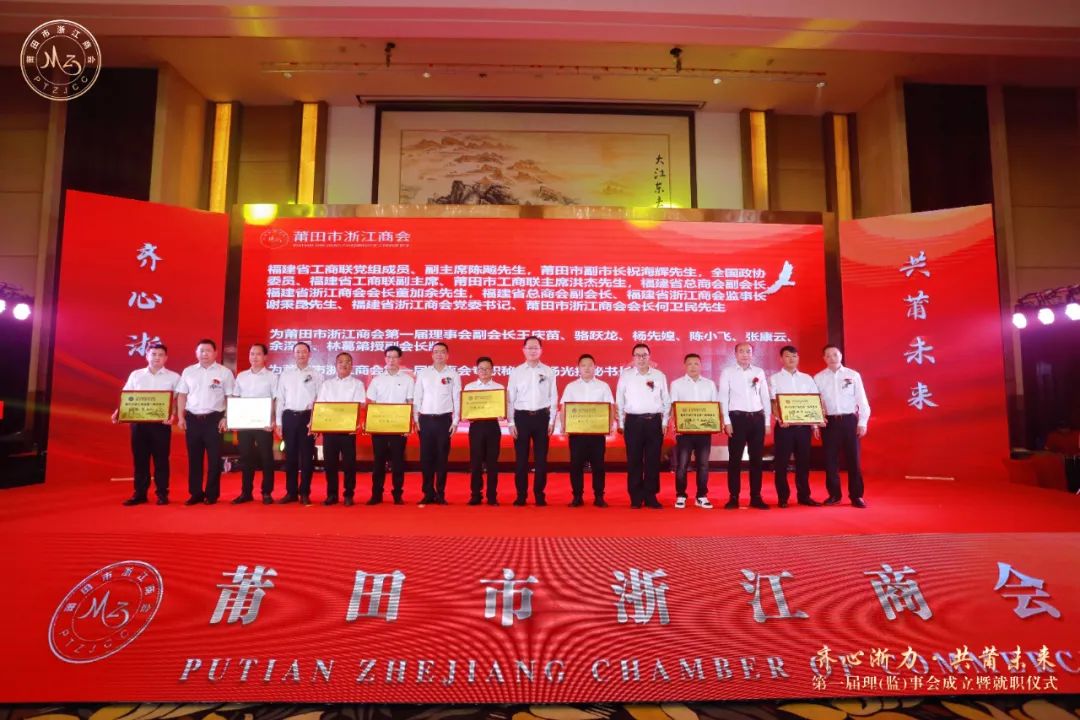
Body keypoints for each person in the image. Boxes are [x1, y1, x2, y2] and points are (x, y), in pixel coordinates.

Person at [112, 343, 180, 506]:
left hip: (161, 424)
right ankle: (140, 494)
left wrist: (173, 414)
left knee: (161, 460)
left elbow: (178, 399)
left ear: (166, 358)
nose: (157, 357)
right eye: (153, 354)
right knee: (140, 459)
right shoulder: (136, 375)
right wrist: (118, 412)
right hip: (139, 424)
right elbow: (127, 396)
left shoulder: (174, 377)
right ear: (147, 356)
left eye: (160, 355)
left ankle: (162, 494)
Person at [176, 338, 235, 505]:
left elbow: (230, 396)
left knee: (214, 459)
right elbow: (182, 395)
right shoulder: (188, 371)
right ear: (196, 353)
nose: (204, 354)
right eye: (201, 351)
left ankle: (211, 494)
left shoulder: (224, 372)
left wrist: (226, 417)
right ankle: (195, 493)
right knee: (194, 458)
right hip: (192, 419)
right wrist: (181, 417)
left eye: (208, 350)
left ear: (215, 353)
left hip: (214, 419)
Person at [814, 345, 871, 508]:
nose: (832, 358)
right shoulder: (818, 378)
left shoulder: (853, 375)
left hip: (849, 421)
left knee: (854, 460)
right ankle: (834, 495)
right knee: (830, 460)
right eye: (828, 355)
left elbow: (862, 400)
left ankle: (856, 495)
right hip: (828, 422)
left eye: (835, 354)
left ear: (840, 356)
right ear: (824, 358)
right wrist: (815, 425)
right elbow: (814, 402)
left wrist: (862, 422)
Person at [616, 343, 671, 509]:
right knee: (634, 460)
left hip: (654, 422)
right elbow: (619, 400)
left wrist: (664, 422)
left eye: (644, 355)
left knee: (653, 460)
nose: (641, 358)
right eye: (638, 355)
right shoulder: (626, 376)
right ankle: (635, 496)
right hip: (633, 422)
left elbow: (666, 400)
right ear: (633, 358)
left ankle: (650, 495)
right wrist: (621, 423)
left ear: (649, 356)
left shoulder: (659, 375)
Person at [718, 342, 771, 510]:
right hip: (737, 419)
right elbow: (723, 397)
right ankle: (733, 497)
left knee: (757, 460)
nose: (745, 354)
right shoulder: (728, 372)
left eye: (748, 351)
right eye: (741, 351)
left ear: (752, 354)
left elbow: (765, 397)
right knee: (735, 460)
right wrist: (726, 422)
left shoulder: (758, 372)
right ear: (735, 354)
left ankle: (756, 496)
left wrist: (767, 422)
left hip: (757, 419)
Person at [507, 335, 558, 506]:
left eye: (536, 348)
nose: (533, 351)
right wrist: (511, 422)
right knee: (521, 459)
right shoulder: (516, 372)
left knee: (541, 460)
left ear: (541, 350)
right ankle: (521, 495)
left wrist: (551, 421)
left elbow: (553, 397)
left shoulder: (549, 371)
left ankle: (539, 495)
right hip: (521, 418)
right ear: (524, 350)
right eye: (529, 348)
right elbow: (510, 399)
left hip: (542, 418)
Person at [769, 345, 821, 508]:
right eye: (787, 356)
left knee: (803, 463)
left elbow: (814, 401)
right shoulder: (774, 379)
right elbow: (773, 402)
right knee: (781, 464)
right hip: (784, 427)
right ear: (781, 359)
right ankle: (783, 497)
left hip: (803, 428)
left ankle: (804, 496)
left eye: (794, 356)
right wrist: (779, 418)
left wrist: (814, 425)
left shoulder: (807, 378)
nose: (791, 359)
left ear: (798, 358)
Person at [559, 353, 615, 507]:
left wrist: (610, 425)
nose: (587, 368)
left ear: (595, 367)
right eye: (583, 365)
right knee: (576, 465)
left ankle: (599, 496)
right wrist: (563, 426)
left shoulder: (603, 386)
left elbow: (610, 407)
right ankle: (577, 496)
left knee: (599, 466)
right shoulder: (571, 386)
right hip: (577, 434)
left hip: (597, 434)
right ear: (578, 368)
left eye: (590, 365)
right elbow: (564, 408)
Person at [313, 352, 366, 506]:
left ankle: (349, 494)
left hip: (348, 430)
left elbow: (360, 405)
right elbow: (321, 405)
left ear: (352, 365)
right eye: (341, 362)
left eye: (348, 362)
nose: (344, 364)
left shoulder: (357, 384)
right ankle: (332, 494)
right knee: (330, 464)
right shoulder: (327, 384)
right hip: (330, 430)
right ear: (335, 365)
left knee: (349, 464)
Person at [275, 341, 324, 505]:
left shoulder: (317, 375)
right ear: (293, 354)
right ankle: (291, 492)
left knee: (307, 457)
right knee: (290, 457)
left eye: (304, 352)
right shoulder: (286, 375)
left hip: (307, 418)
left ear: (309, 354)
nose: (301, 354)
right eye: (298, 352)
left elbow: (319, 400)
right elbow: (280, 399)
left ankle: (304, 492)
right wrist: (279, 422)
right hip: (289, 416)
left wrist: (315, 422)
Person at [231, 343, 279, 505]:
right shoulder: (241, 376)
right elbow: (236, 398)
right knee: (246, 458)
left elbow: (275, 400)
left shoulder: (272, 377)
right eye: (252, 354)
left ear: (265, 357)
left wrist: (273, 420)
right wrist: (234, 419)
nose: (254, 357)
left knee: (266, 458)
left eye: (258, 354)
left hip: (264, 424)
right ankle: (246, 492)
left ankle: (266, 492)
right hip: (244, 423)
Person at [365, 345, 414, 505]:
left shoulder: (407, 380)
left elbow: (410, 402)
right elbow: (371, 403)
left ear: (400, 359)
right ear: (385, 359)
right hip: (379, 427)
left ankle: (397, 494)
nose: (391, 360)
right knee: (378, 461)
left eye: (395, 357)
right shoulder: (377, 380)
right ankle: (376, 494)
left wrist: (409, 425)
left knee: (398, 461)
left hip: (399, 427)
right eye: (389, 357)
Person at [412, 341, 461, 505]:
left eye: (442, 352)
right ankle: (427, 493)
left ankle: (440, 493)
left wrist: (455, 421)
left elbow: (457, 398)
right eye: (436, 352)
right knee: (426, 458)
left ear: (447, 355)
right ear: (432, 355)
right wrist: (416, 419)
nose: (439, 354)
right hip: (425, 420)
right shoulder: (423, 373)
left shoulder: (453, 374)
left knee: (442, 458)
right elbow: (417, 396)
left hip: (444, 420)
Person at [669, 353, 717, 509]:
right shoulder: (676, 384)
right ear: (685, 366)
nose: (693, 367)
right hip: (684, 432)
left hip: (704, 431)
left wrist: (715, 424)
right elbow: (673, 407)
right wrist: (675, 425)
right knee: (682, 465)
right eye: (689, 364)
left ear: (701, 366)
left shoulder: (709, 384)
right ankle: (681, 495)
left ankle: (701, 496)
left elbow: (715, 406)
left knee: (703, 465)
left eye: (696, 364)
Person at [464, 356, 504, 506]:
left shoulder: (499, 388)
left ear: (492, 370)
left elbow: (503, 408)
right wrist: (466, 415)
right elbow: (466, 410)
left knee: (492, 463)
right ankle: (475, 495)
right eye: (481, 368)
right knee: (476, 463)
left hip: (493, 426)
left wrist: (502, 414)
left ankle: (492, 496)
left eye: (487, 369)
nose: (484, 371)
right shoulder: (469, 387)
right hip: (476, 427)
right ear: (477, 370)